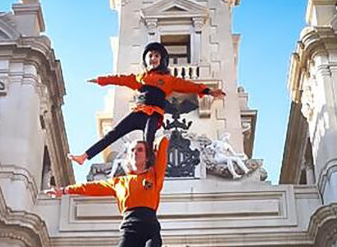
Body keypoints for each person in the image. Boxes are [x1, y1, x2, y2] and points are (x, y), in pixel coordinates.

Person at [50, 138, 169, 247]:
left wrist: (152, 134)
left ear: (148, 156)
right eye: (133, 150)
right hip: (129, 230)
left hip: (150, 229)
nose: (136, 153)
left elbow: (164, 144)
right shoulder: (119, 182)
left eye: (140, 150)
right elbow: (91, 187)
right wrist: (64, 190)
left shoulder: (154, 176)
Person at [69, 42, 225, 163]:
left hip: (154, 114)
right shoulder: (139, 78)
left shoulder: (168, 80)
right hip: (138, 112)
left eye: (157, 56)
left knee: (148, 138)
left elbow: (188, 86)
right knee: (113, 134)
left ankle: (148, 168)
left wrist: (208, 91)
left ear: (161, 60)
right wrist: (100, 80)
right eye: (150, 56)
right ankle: (84, 156)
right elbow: (120, 79)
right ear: (146, 59)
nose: (153, 59)